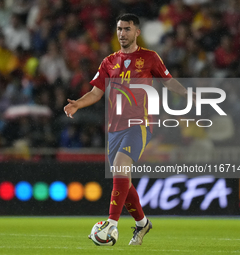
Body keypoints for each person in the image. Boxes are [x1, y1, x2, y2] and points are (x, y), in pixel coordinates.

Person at [64, 13, 194, 246]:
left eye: (126, 29)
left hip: (139, 124)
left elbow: (168, 80)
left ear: (137, 32)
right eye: (119, 29)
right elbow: (96, 92)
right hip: (114, 128)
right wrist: (77, 104)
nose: (122, 33)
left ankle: (111, 224)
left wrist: (186, 93)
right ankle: (143, 224)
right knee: (123, 180)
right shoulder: (108, 61)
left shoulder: (150, 58)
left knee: (122, 167)